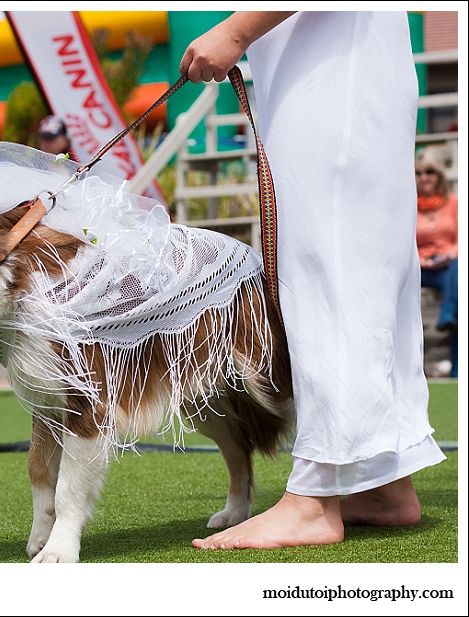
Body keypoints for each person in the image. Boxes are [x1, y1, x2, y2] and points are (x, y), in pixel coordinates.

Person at [179, 11, 446, 549]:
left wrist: (233, 32)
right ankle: (385, 483)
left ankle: (314, 499)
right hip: (340, 63)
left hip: (329, 71)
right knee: (363, 265)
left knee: (329, 264)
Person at [415, 147, 458, 378]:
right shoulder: (408, 205)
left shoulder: (454, 203)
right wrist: (421, 260)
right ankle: (448, 314)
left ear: (439, 174)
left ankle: (458, 372)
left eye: (429, 171)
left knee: (459, 270)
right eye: (418, 173)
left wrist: (449, 254)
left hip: (448, 268)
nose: (424, 177)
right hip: (418, 268)